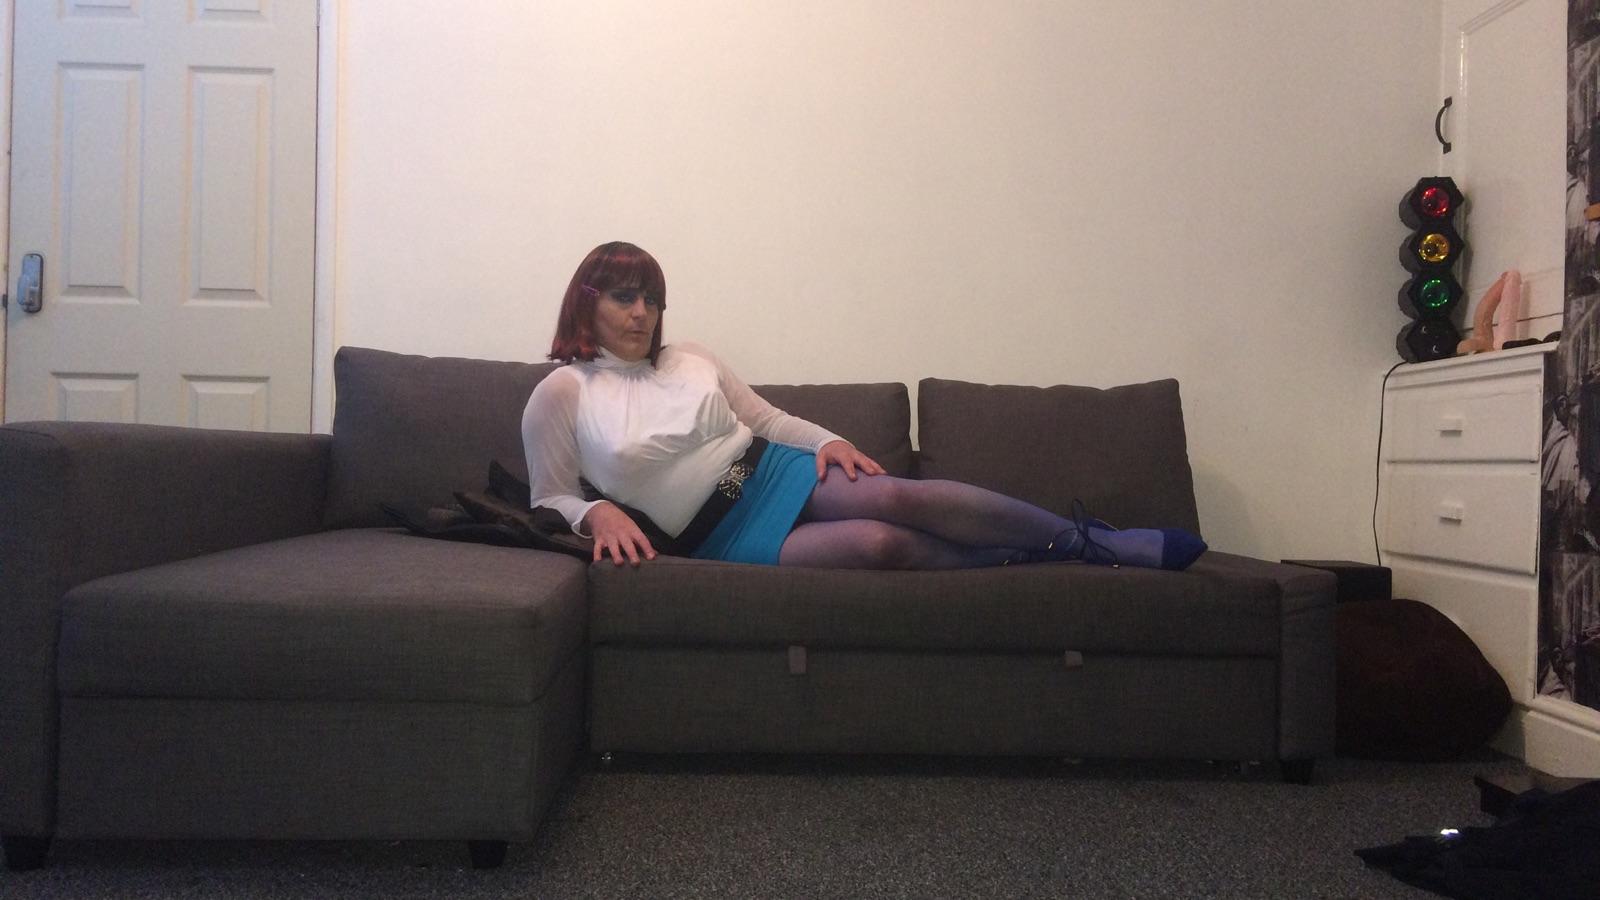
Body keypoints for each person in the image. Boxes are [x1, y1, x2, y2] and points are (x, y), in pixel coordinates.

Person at [521, 241, 1207, 571]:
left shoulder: (689, 358)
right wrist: (595, 511)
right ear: (588, 302)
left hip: (767, 470)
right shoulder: (563, 392)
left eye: (653, 299)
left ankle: (1094, 541)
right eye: (625, 298)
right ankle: (1023, 556)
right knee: (879, 545)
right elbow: (550, 495)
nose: (642, 313)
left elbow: (764, 420)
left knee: (900, 497)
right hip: (718, 535)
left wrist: (826, 442)